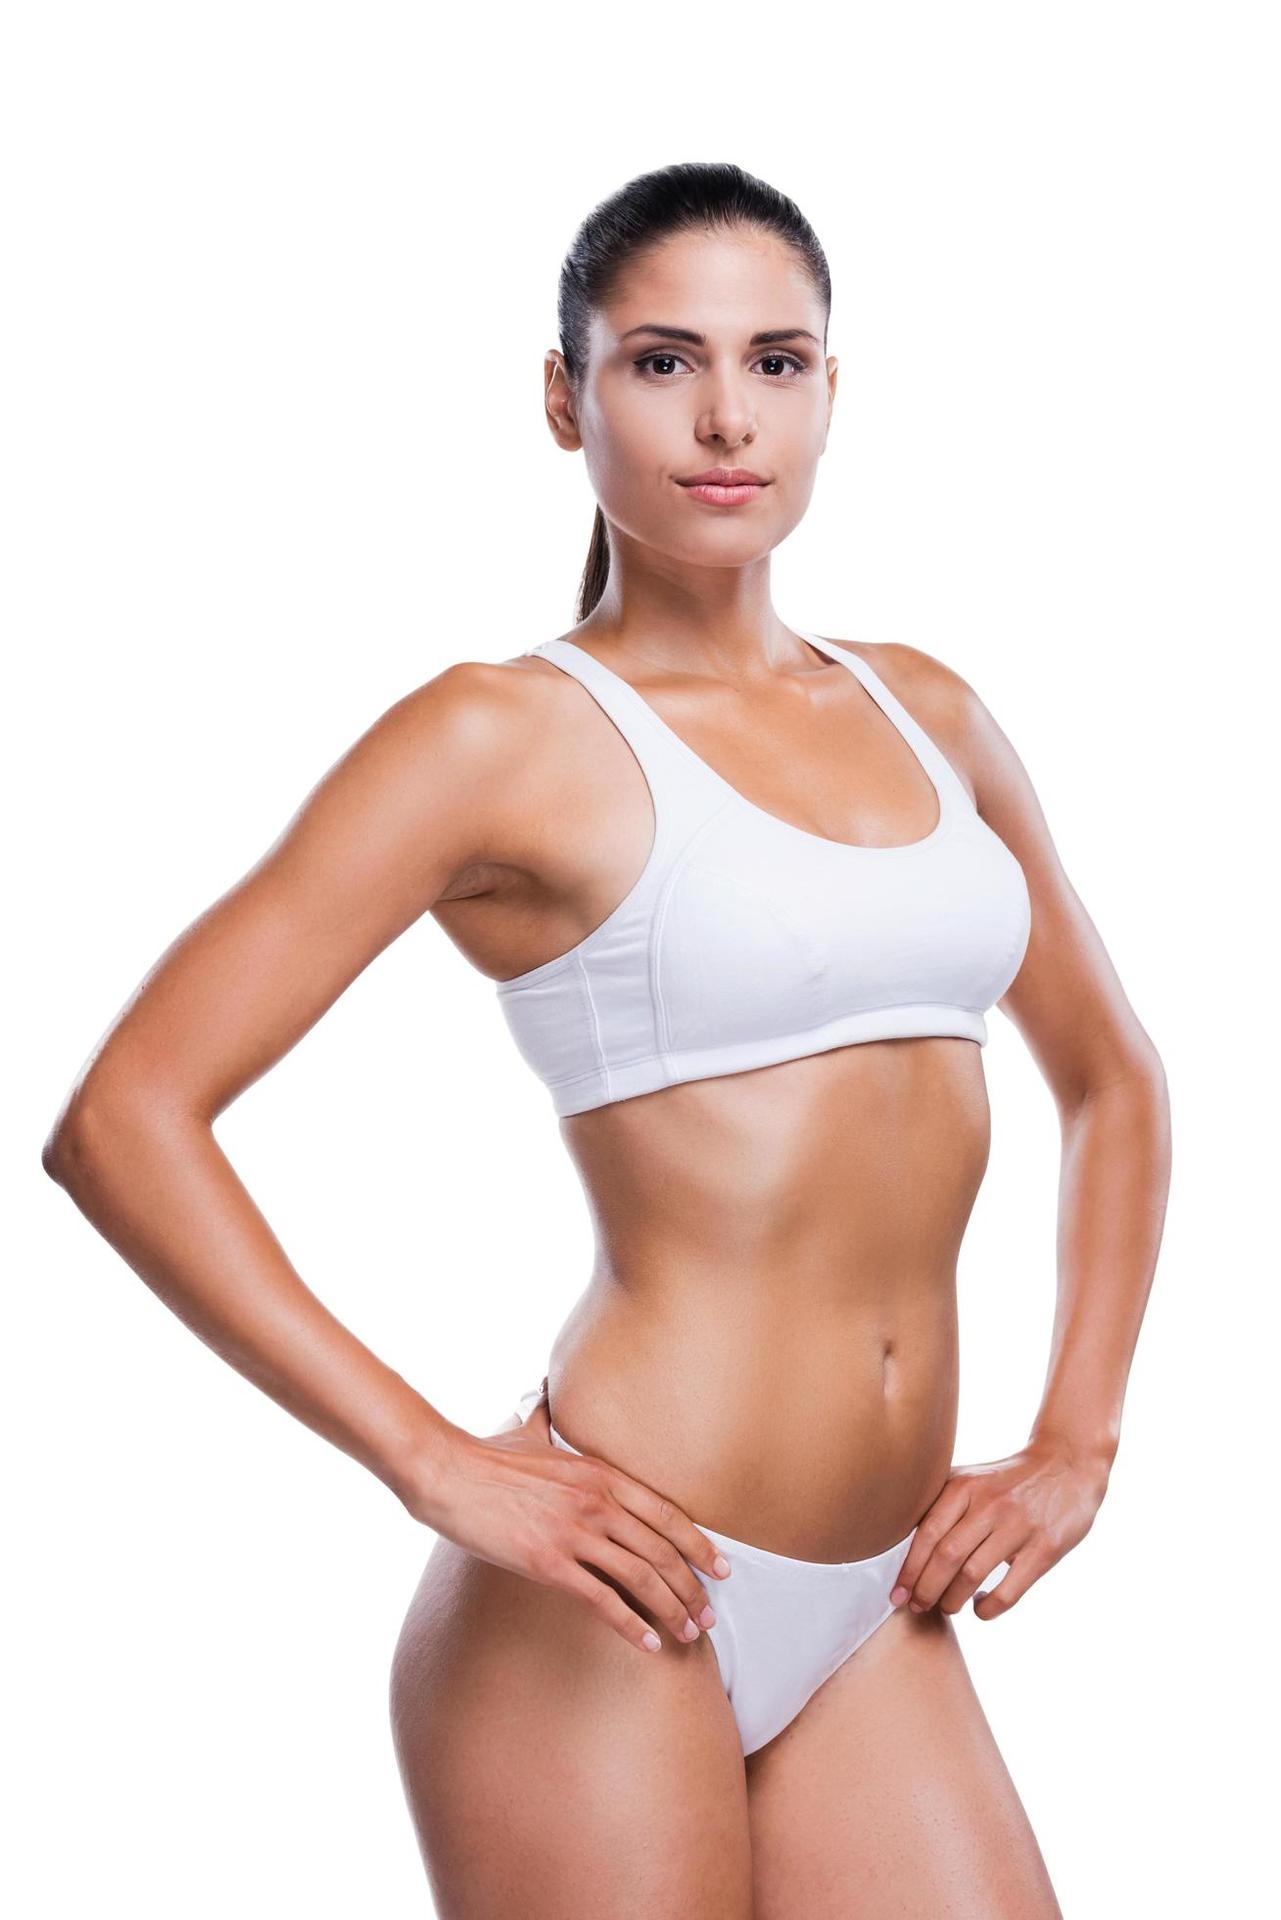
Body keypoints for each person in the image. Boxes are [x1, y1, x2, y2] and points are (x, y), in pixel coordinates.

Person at [42, 161, 1171, 1919]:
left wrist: (1076, 1439)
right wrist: (431, 1461)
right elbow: (125, 1119)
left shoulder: (929, 710)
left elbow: (1111, 1078)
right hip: (614, 1586)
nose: (726, 417)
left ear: (827, 390)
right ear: (565, 398)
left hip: (879, 1600)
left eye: (773, 362)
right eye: (661, 362)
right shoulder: (494, 737)